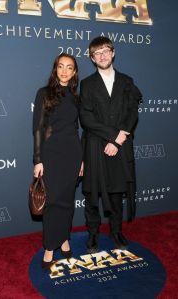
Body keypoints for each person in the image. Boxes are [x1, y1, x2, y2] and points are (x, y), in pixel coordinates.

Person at [79, 36, 142, 253]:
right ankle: (93, 234)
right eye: (97, 53)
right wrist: (113, 136)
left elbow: (132, 114)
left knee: (116, 193)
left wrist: (118, 139)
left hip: (120, 145)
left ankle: (116, 231)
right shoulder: (87, 84)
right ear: (92, 58)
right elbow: (86, 119)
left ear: (113, 52)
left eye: (106, 51)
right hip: (95, 146)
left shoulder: (127, 81)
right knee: (92, 195)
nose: (102, 56)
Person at [33, 53, 82, 269]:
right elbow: (38, 129)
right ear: (55, 69)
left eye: (69, 67)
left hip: (72, 154)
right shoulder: (44, 93)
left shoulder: (76, 97)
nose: (64, 71)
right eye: (60, 66)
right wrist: (38, 159)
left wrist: (82, 160)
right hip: (51, 155)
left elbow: (76, 129)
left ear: (74, 72)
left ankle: (63, 238)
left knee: (67, 200)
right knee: (52, 202)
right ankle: (50, 247)